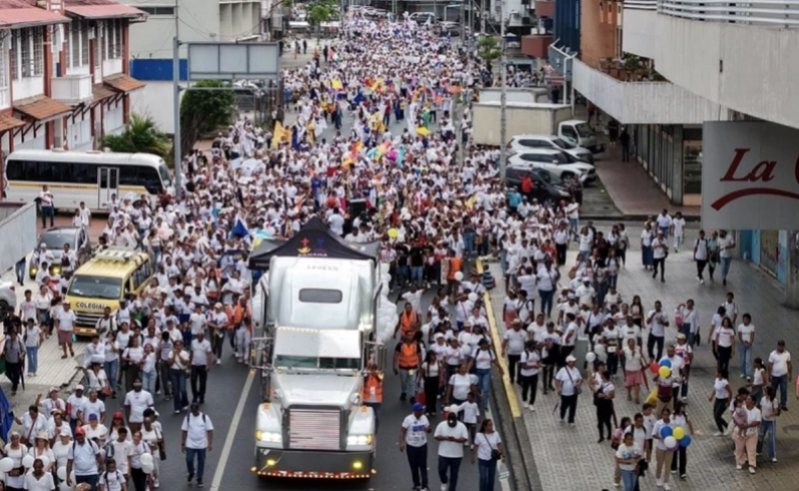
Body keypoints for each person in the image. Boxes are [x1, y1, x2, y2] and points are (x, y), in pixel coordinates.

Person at [434, 406, 469, 491]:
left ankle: (452, 489)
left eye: (453, 423)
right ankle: (444, 481)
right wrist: (445, 438)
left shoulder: (462, 426)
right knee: (441, 470)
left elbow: (465, 438)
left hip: (456, 455)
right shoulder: (441, 425)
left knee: (454, 473)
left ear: (456, 420)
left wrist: (455, 439)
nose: (451, 424)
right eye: (450, 422)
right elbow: (436, 436)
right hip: (443, 454)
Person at [399, 402, 430, 491]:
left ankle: (425, 485)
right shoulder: (408, 419)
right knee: (414, 466)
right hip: (412, 446)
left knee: (423, 465)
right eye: (420, 410)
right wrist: (402, 443)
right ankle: (416, 484)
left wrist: (428, 429)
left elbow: (429, 429)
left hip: (422, 445)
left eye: (422, 410)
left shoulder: (424, 418)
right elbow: (402, 431)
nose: (422, 412)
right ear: (415, 411)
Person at [181, 403, 214, 488]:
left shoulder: (205, 418)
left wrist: (210, 444)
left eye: (195, 411)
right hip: (190, 444)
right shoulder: (188, 418)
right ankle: (191, 472)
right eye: (193, 411)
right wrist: (183, 443)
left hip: (202, 444)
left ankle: (199, 478)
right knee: (189, 459)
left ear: (198, 409)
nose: (194, 413)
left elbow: (210, 431)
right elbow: (184, 431)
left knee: (201, 462)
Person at [471, 419, 504, 491]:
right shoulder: (479, 435)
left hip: (492, 459)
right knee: (483, 477)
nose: (491, 427)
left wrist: (503, 455)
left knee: (491, 478)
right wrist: (472, 456)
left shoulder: (496, 434)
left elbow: (499, 444)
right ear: (484, 426)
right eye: (489, 425)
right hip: (482, 459)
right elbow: (475, 446)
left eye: (491, 425)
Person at [733, 395, 761, 474]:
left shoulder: (757, 411)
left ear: (753, 402)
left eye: (749, 399)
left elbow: (758, 422)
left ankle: (751, 465)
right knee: (739, 448)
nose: (746, 400)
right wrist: (739, 424)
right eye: (746, 399)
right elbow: (734, 416)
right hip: (740, 432)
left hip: (751, 434)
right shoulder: (742, 408)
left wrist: (747, 425)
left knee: (751, 449)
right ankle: (739, 462)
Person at [554, 355, 583, 426]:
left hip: (573, 392)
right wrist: (558, 388)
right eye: (572, 362)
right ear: (568, 362)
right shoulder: (562, 370)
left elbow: (580, 379)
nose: (573, 363)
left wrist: (578, 384)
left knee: (573, 407)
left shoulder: (576, 370)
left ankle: (571, 420)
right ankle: (562, 417)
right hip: (564, 393)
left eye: (574, 362)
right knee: (563, 406)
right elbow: (557, 380)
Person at [651, 407, 674, 490]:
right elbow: (653, 434)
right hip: (660, 447)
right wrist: (660, 437)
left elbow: (675, 433)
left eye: (667, 414)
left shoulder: (672, 423)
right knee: (659, 463)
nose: (665, 416)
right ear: (661, 415)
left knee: (668, 465)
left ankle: (666, 482)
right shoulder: (658, 423)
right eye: (664, 414)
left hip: (669, 448)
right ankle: (658, 477)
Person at [189, 330, 213, 404]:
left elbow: (209, 354)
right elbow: (191, 353)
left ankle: (201, 396)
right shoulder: (193, 342)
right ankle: (195, 396)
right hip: (194, 364)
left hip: (203, 365)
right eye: (198, 336)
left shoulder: (207, 343)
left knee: (202, 382)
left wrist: (208, 365)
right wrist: (189, 363)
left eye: (201, 336)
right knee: (193, 380)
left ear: (203, 336)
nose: (199, 337)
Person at [362, 363, 384, 433]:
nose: (374, 370)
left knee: (377, 418)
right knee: (364, 417)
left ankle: (375, 431)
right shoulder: (367, 375)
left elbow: (380, 378)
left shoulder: (379, 374)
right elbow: (364, 379)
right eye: (372, 369)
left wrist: (375, 373)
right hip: (366, 400)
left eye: (375, 369)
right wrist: (368, 373)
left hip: (377, 401)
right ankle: (365, 430)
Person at [3, 328, 25, 396]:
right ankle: (14, 381)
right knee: (8, 373)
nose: (12, 337)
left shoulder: (19, 342)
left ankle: (14, 388)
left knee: (16, 374)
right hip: (8, 361)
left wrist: (21, 355)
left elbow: (23, 350)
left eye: (14, 335)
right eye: (11, 335)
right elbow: (4, 349)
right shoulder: (7, 341)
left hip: (16, 361)